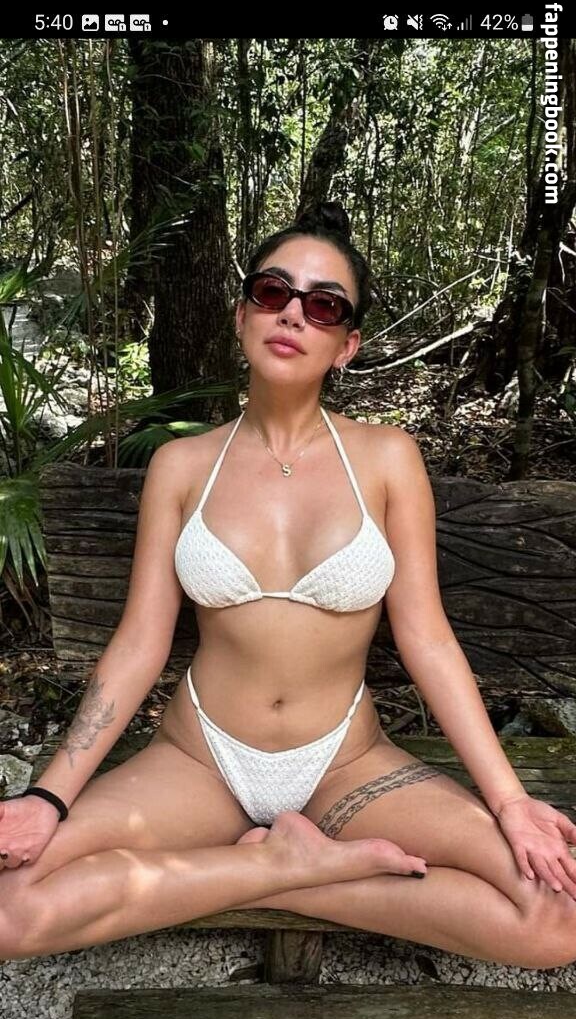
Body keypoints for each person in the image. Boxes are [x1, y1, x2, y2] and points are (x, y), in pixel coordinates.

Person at [1, 200, 576, 969]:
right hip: (201, 761)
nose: (294, 313)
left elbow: (428, 637)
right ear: (243, 315)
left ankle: (302, 877)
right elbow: (139, 643)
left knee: (554, 917)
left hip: (345, 763)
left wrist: (510, 802)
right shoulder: (181, 467)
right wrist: (47, 798)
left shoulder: (387, 459)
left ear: (347, 345)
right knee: (9, 908)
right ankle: (275, 868)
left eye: (324, 305)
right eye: (273, 292)